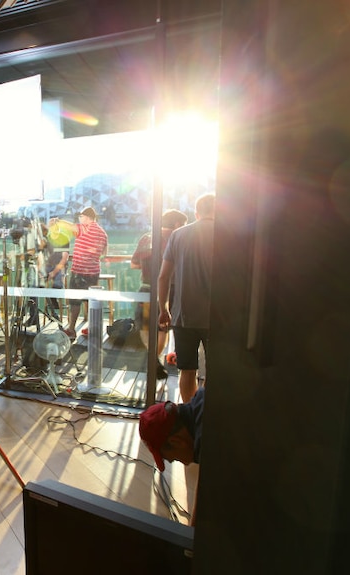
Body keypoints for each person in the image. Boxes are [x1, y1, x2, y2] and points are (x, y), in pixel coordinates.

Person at [157, 194, 215, 402]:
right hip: (216, 316)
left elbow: (163, 276)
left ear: (197, 213)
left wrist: (164, 309)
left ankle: (189, 413)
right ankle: (205, 415)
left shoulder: (178, 235)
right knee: (214, 372)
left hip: (183, 315)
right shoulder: (227, 234)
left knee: (187, 370)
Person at [131, 209, 189, 379]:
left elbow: (134, 264)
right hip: (168, 288)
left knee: (145, 325)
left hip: (146, 287)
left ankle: (151, 360)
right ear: (177, 224)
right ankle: (154, 360)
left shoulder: (146, 238)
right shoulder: (178, 238)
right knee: (162, 327)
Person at [138, 386, 204, 525]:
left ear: (177, 442)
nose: (182, 462)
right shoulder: (202, 397)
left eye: (172, 459)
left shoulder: (213, 445)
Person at [48, 206, 109, 340]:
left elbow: (70, 226)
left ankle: (71, 330)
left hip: (80, 271)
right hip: (94, 272)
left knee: (75, 302)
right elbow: (104, 255)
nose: (79, 219)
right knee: (90, 300)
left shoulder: (84, 228)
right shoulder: (103, 233)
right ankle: (92, 328)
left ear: (87, 217)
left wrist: (57, 221)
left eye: (81, 217)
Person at [40, 223, 69, 320]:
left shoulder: (64, 238)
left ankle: (53, 300)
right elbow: (41, 255)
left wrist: (54, 272)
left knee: (57, 282)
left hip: (60, 266)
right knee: (36, 283)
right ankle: (33, 313)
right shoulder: (46, 239)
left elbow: (64, 259)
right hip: (48, 266)